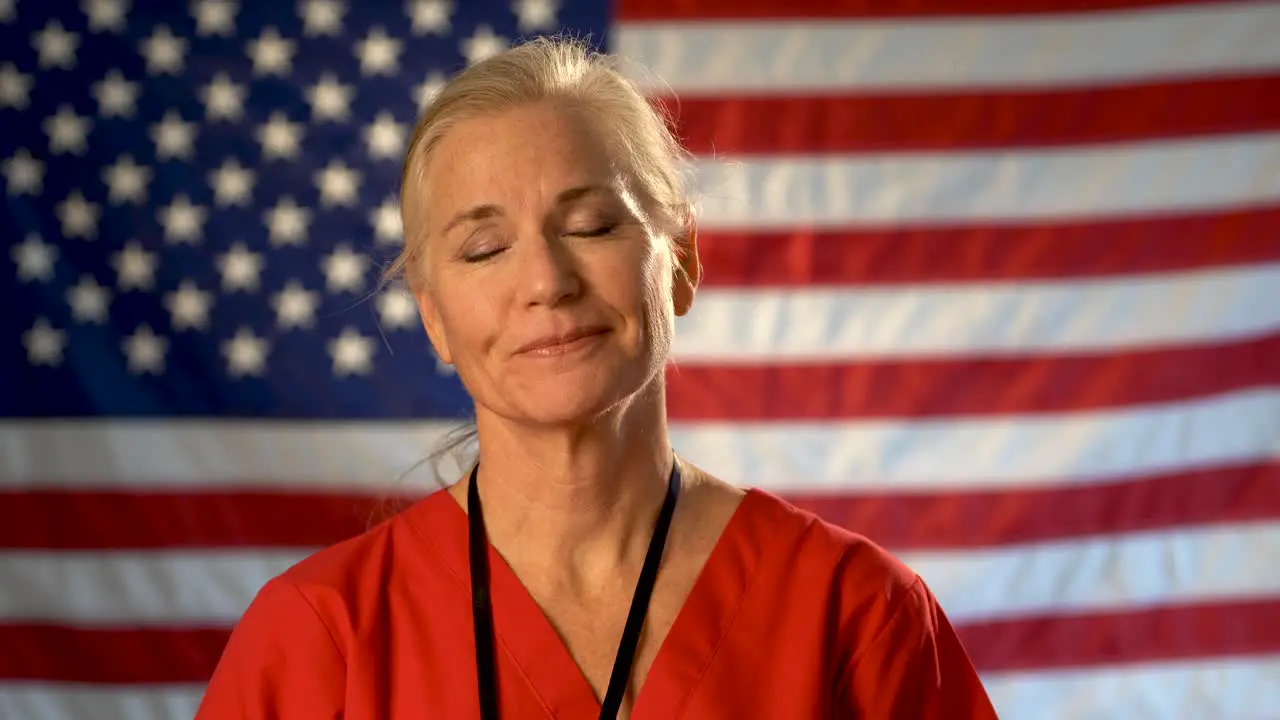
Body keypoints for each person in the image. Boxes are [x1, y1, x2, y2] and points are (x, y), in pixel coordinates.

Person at [194, 37, 999, 719]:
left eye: (592, 225)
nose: (546, 279)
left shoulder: (853, 613)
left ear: (680, 262)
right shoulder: (316, 638)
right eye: (484, 248)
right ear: (434, 315)